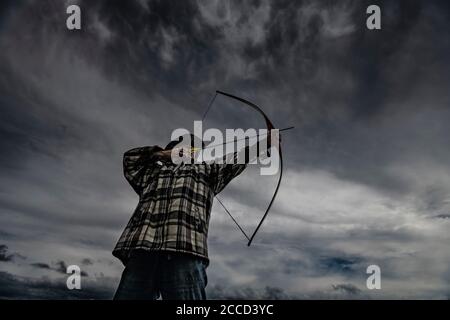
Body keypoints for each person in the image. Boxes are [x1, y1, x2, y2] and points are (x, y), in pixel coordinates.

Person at [112, 133, 270, 300]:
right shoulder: (151, 172)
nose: (186, 152)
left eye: (191, 149)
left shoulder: (207, 170)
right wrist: (158, 154)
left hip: (185, 250)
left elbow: (237, 158)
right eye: (178, 149)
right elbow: (129, 160)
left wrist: (265, 142)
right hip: (143, 250)